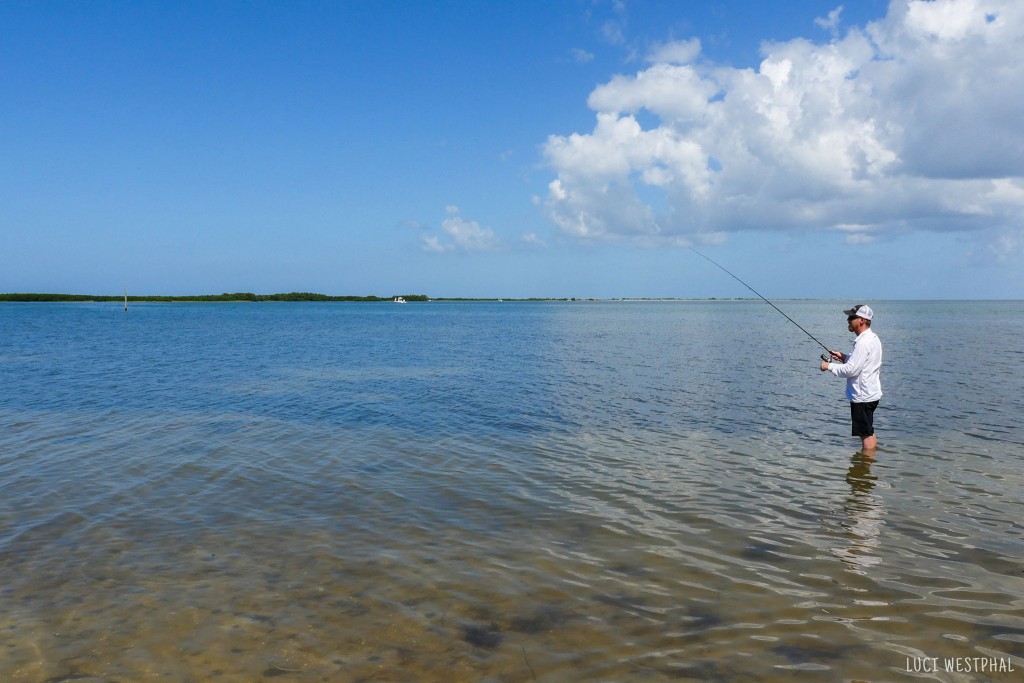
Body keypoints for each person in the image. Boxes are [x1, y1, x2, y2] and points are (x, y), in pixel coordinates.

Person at [820, 304, 883, 452]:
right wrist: (844, 357)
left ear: (861, 320)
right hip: (870, 394)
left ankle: (864, 470)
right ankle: (870, 464)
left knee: (865, 434)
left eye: (851, 317)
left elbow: (851, 371)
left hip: (862, 396)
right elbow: (861, 364)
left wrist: (828, 366)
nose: (848, 320)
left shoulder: (862, 342)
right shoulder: (873, 338)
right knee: (868, 431)